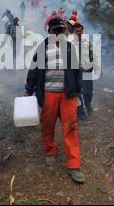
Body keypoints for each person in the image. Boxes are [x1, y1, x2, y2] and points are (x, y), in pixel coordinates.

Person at [24, 18, 84, 184]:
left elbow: (77, 70)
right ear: (49, 32)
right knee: (47, 125)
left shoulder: (70, 48)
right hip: (48, 94)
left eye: (61, 31)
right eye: (55, 30)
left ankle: (73, 164)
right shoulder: (42, 48)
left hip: (68, 95)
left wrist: (78, 88)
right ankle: (50, 151)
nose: (58, 33)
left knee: (71, 128)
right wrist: (29, 90)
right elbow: (33, 71)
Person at [73, 23, 95, 118]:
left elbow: (92, 56)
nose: (78, 33)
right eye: (76, 31)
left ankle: (88, 105)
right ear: (73, 32)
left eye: (80, 31)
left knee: (88, 91)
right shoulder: (69, 44)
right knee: (77, 91)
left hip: (87, 70)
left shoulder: (87, 43)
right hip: (76, 71)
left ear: (82, 32)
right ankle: (80, 112)